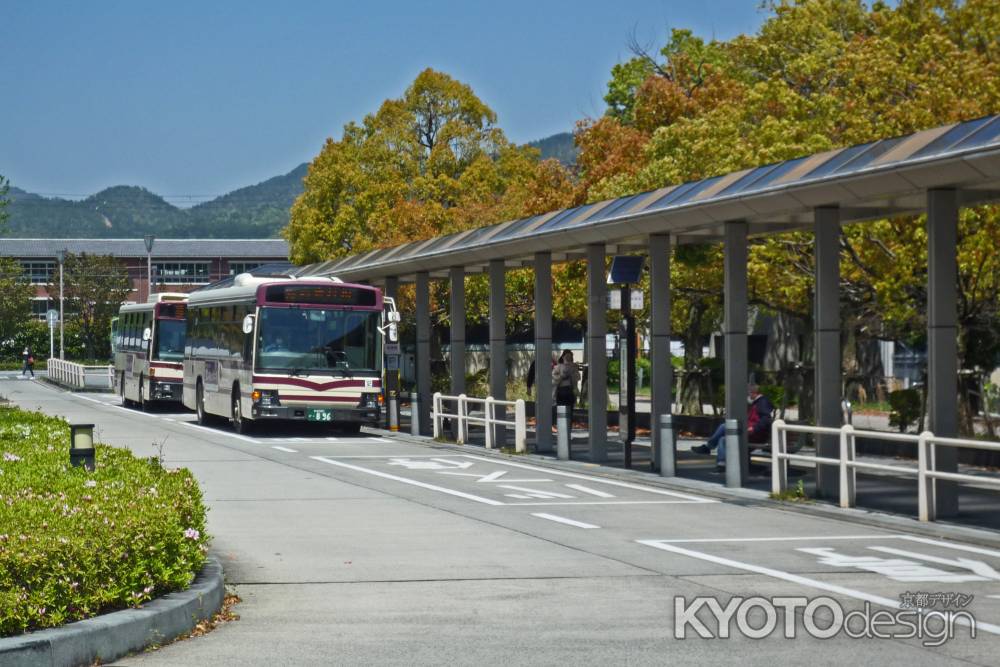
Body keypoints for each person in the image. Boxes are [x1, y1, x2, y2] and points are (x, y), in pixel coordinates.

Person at [691, 384, 773, 470]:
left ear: (753, 393)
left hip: (754, 435)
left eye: (748, 394)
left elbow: (766, 419)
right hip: (750, 432)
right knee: (723, 434)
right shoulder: (757, 403)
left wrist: (754, 428)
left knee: (723, 434)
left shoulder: (762, 403)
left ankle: (712, 453)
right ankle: (719, 460)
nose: (747, 396)